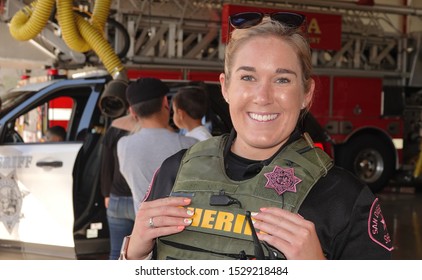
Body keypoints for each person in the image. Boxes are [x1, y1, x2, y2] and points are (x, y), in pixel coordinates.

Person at [121, 12, 393, 260]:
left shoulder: (344, 198)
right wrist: (133, 256)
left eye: (282, 79)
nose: (263, 97)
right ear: (225, 87)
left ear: (306, 94)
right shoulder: (175, 171)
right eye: (248, 78)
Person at [117, 77, 198, 214]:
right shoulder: (191, 144)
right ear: (165, 103)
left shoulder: (123, 145)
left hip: (143, 230)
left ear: (132, 112)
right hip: (181, 227)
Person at [100, 114, 139, 260]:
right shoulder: (156, 130)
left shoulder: (115, 127)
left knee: (117, 253)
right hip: (144, 201)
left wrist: (106, 193)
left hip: (117, 200)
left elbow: (106, 163)